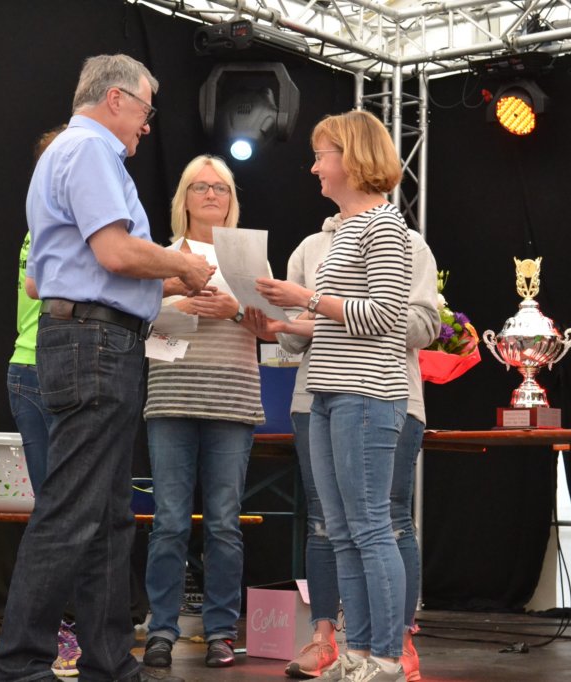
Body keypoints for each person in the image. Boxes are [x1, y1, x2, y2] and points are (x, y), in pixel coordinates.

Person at [0, 54, 213, 682]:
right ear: (116, 99)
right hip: (93, 344)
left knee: (109, 515)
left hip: (93, 338)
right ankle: (21, 665)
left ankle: (111, 664)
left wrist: (170, 282)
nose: (148, 124)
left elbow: (74, 272)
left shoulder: (69, 153)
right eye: (145, 108)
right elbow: (114, 253)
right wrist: (182, 264)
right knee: (72, 509)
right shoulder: (89, 151)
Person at [256, 110, 413, 682]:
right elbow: (338, 322)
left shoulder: (385, 227)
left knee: (369, 525)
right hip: (325, 391)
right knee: (343, 531)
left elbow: (386, 316)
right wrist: (279, 323)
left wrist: (305, 298)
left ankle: (387, 658)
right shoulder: (345, 229)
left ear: (352, 158)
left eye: (322, 155)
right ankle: (358, 651)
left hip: (366, 394)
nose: (314, 167)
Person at [267, 213, 439, 681]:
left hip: (384, 393)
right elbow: (288, 340)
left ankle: (395, 645)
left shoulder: (404, 240)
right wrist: (273, 319)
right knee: (327, 523)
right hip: (315, 398)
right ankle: (333, 642)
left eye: (324, 167)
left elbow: (423, 326)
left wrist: (329, 310)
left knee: (389, 520)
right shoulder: (310, 246)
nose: (316, 175)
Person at [142, 155, 270, 670]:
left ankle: (220, 632)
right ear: (185, 199)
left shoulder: (250, 258)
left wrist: (233, 311)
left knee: (223, 524)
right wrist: (177, 307)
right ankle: (161, 630)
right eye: (200, 187)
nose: (211, 194)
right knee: (169, 522)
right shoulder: (161, 256)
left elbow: (273, 329)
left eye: (220, 187)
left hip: (232, 401)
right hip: (171, 399)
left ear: (231, 198)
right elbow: (131, 317)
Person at [6, 125, 81, 678]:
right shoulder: (50, 226)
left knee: (72, 510)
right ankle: (49, 632)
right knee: (56, 510)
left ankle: (66, 627)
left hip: (60, 371)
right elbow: (43, 288)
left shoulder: (69, 223)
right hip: (37, 371)